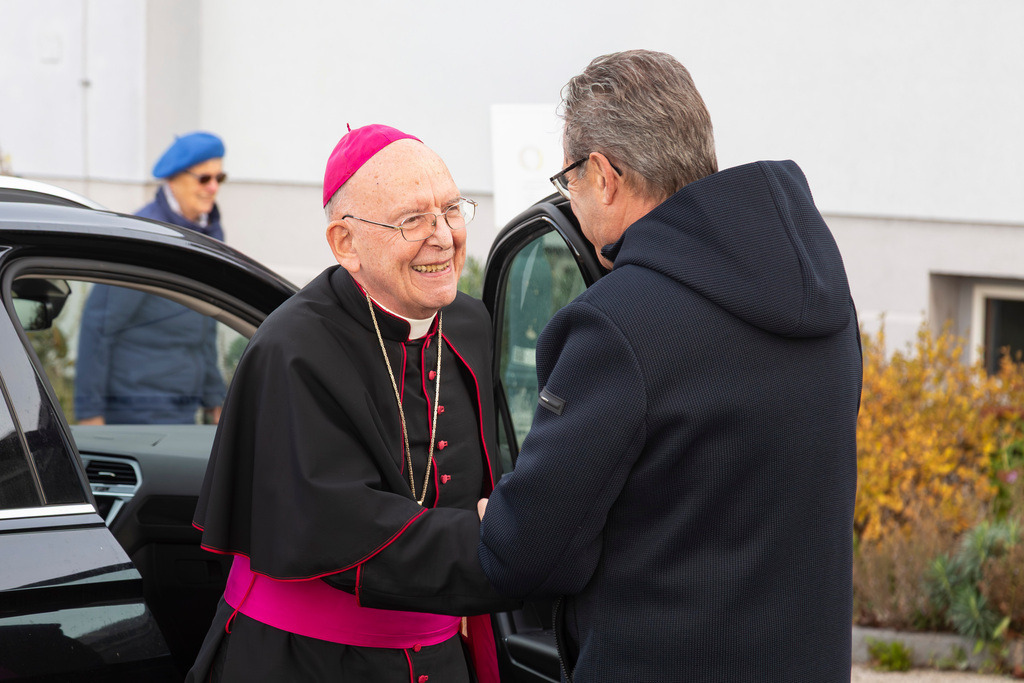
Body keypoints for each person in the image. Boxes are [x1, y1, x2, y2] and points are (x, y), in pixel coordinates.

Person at [478, 50, 862, 682]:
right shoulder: (824, 295)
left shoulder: (616, 325)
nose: (571, 199)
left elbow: (530, 552)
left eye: (568, 180)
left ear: (602, 174)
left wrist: (499, 522)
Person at [186, 124, 514, 682]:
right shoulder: (292, 349)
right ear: (346, 243)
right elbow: (341, 529)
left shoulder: (467, 322)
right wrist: (506, 535)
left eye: (452, 210)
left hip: (439, 656)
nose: (442, 236)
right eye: (413, 219)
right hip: (311, 662)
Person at [75, 131, 228, 425]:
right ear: (174, 179)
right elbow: (99, 325)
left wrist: (213, 398)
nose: (213, 188)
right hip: (139, 409)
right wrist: (90, 414)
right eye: (204, 179)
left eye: (218, 179)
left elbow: (205, 325)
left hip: (183, 405)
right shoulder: (144, 236)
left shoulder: (208, 232)